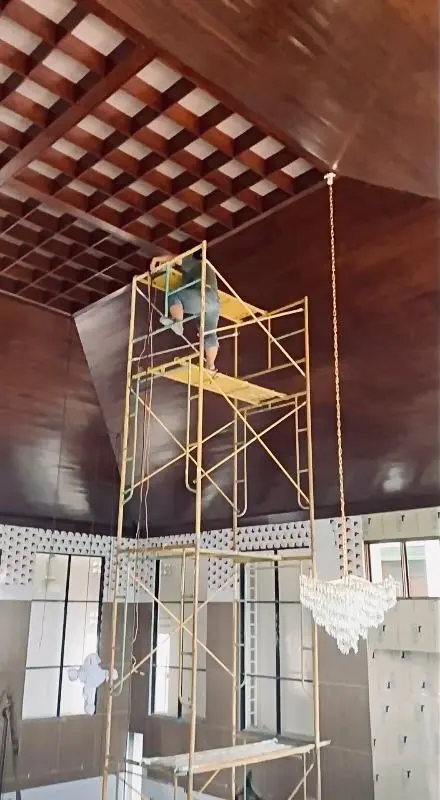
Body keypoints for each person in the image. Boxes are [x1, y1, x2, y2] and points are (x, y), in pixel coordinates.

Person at [159, 251, 220, 373]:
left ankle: (177, 322)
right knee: (209, 334)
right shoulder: (207, 269)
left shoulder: (197, 263)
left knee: (174, 296)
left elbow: (176, 259)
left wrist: (158, 259)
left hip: (204, 297)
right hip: (215, 303)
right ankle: (211, 366)